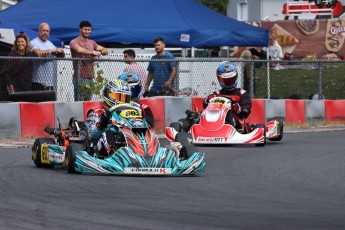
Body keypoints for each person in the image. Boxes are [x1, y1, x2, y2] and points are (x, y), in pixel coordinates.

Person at [85, 79, 154, 157]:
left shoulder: (133, 110)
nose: (121, 101)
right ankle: (113, 155)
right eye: (118, 97)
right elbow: (92, 134)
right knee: (109, 133)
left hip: (128, 138)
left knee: (144, 131)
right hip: (103, 146)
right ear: (108, 94)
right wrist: (101, 124)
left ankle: (150, 153)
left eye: (124, 98)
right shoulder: (97, 111)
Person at [202, 61, 252, 130]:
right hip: (215, 119)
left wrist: (237, 109)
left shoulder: (242, 93)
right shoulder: (217, 94)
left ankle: (224, 129)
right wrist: (208, 99)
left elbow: (246, 111)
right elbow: (205, 105)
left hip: (236, 123)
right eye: (226, 80)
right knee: (199, 115)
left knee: (229, 117)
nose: (229, 83)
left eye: (231, 80)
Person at [70, 20, 108, 101]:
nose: (87, 31)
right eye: (85, 29)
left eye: (89, 30)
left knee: (88, 102)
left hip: (90, 77)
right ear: (80, 29)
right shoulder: (74, 42)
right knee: (79, 103)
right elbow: (78, 50)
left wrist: (100, 52)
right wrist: (93, 52)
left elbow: (105, 50)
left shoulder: (92, 42)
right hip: (79, 77)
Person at [30, 22, 65, 91]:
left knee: (50, 102)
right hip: (38, 81)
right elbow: (38, 53)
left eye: (47, 31)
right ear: (39, 31)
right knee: (38, 102)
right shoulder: (33, 42)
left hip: (51, 82)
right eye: (43, 30)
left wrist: (61, 52)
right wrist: (49, 51)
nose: (45, 33)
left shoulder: (50, 43)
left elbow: (60, 57)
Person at [0, 32, 34, 100]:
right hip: (15, 85)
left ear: (26, 43)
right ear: (16, 43)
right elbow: (5, 71)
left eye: (22, 41)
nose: (20, 43)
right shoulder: (12, 55)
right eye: (18, 42)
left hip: (26, 85)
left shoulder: (29, 55)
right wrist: (10, 84)